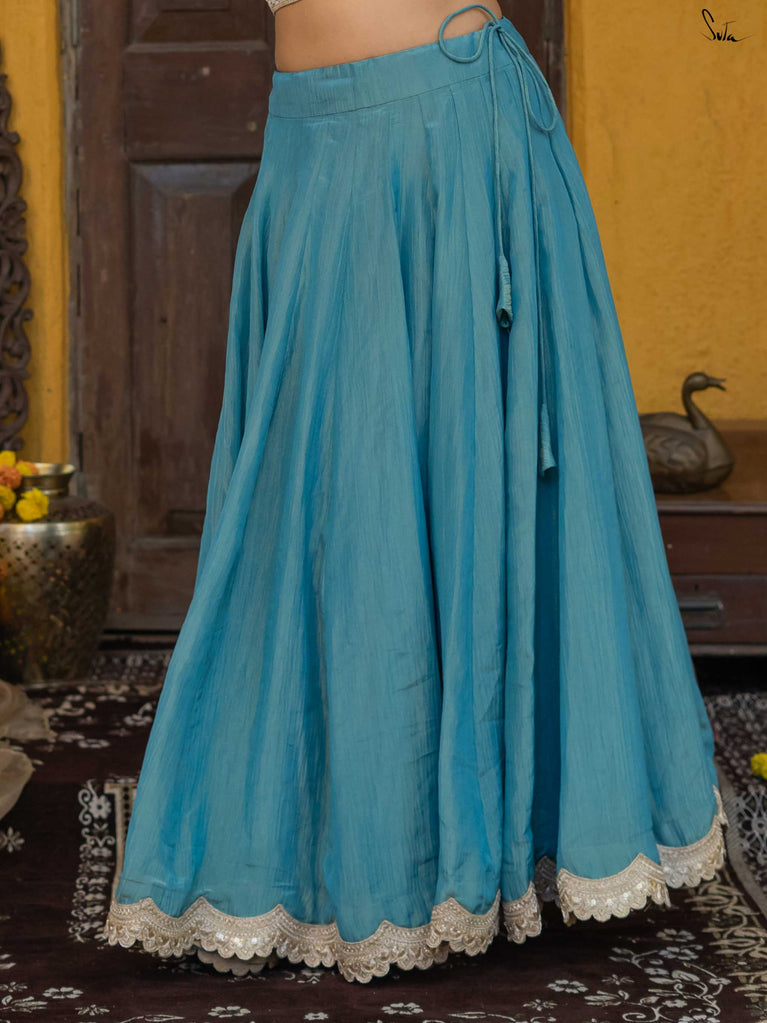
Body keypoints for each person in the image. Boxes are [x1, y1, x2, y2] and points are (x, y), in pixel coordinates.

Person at [104, 1, 728, 984]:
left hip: (459, 131)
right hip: (323, 145)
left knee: (456, 488)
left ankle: (483, 858)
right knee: (331, 507)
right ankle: (363, 858)